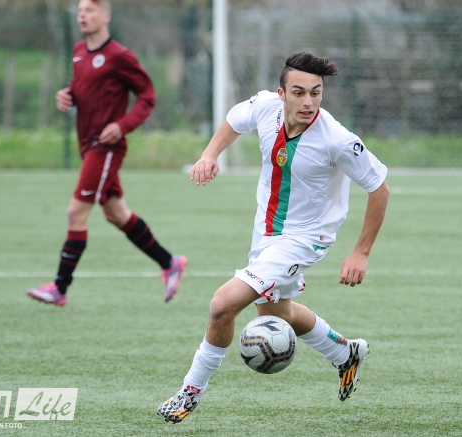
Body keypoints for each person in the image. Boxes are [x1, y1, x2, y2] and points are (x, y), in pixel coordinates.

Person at [156, 51, 389, 424]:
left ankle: (189, 393)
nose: (308, 102)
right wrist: (209, 154)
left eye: (316, 92)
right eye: (299, 92)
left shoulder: (337, 140)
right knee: (277, 312)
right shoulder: (266, 107)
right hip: (265, 232)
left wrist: (361, 252)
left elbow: (379, 188)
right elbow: (234, 120)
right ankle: (344, 353)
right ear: (281, 94)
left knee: (222, 306)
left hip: (306, 239)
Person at [27, 0, 186, 307]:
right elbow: (82, 87)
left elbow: (147, 96)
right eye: (80, 11)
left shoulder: (119, 56)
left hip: (106, 148)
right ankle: (170, 263)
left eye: (89, 10)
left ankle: (59, 288)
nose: (82, 16)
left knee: (76, 213)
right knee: (116, 214)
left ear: (105, 16)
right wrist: (67, 96)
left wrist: (122, 125)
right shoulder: (78, 51)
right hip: (87, 146)